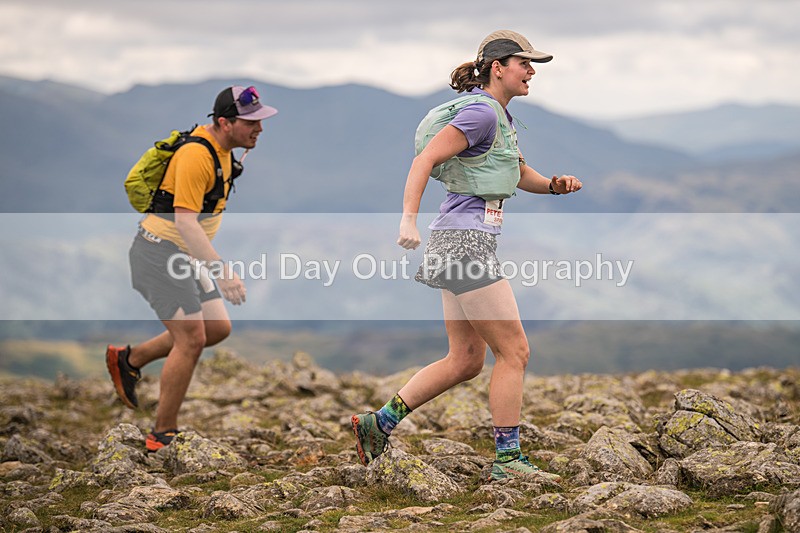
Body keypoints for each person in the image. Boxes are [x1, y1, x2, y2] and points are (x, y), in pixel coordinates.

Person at [351, 30, 581, 481]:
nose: (531, 71)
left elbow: (516, 172)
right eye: (524, 63)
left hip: (457, 241)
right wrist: (407, 221)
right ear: (498, 67)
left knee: (466, 359)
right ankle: (508, 460)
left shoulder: (498, 116)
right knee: (514, 351)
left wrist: (553, 185)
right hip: (464, 244)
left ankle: (378, 423)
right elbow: (423, 161)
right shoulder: (481, 113)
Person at [106, 86, 278, 452]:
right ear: (224, 123)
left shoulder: (224, 151)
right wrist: (222, 272)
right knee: (192, 339)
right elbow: (185, 223)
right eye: (251, 122)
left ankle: (129, 359)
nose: (260, 129)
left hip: (182, 256)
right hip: (159, 253)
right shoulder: (196, 155)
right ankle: (162, 434)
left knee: (216, 328)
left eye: (260, 121)